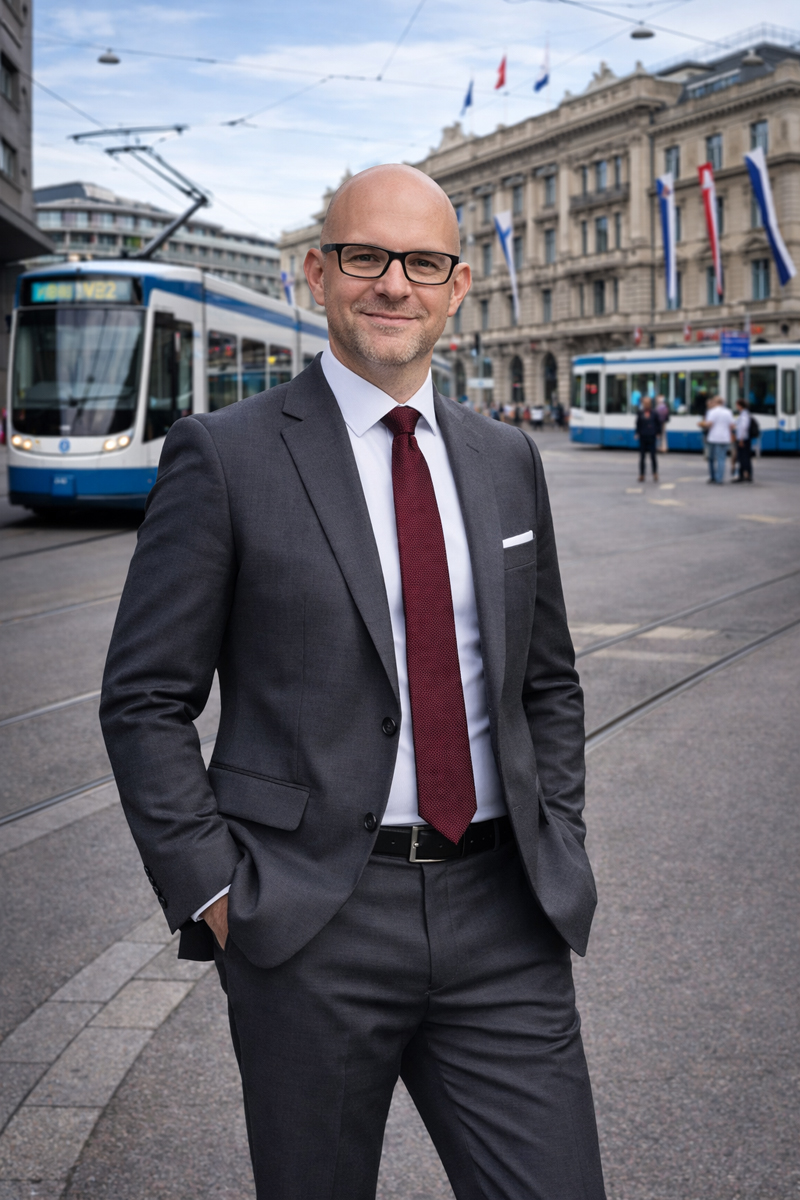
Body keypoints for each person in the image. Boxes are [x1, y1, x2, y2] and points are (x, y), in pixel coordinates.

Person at [100, 164, 605, 1200]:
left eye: (421, 263)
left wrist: (558, 831)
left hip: (502, 915)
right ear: (316, 275)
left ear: (457, 286)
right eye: (365, 258)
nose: (393, 285)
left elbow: (544, 683)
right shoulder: (225, 455)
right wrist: (218, 890)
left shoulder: (506, 456)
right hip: (310, 925)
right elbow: (146, 697)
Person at [699, 394, 735, 483]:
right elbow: (732, 425)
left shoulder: (713, 412)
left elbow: (709, 424)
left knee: (711, 458)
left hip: (714, 438)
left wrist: (702, 424)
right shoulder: (728, 412)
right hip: (725, 438)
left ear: (716, 402)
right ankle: (720, 478)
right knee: (721, 458)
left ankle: (713, 476)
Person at [635, 395, 661, 482]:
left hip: (652, 436)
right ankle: (642, 474)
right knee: (642, 457)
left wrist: (658, 433)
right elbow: (637, 423)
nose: (646, 404)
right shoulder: (640, 413)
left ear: (650, 404)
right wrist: (637, 433)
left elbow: (658, 423)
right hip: (643, 436)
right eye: (644, 403)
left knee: (653, 456)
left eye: (647, 403)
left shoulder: (654, 413)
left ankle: (655, 473)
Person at [732, 398, 754, 483]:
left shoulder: (744, 414)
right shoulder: (743, 414)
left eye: (737, 405)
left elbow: (744, 427)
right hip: (743, 438)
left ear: (740, 405)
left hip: (743, 439)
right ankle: (744, 475)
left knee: (743, 458)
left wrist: (741, 439)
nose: (736, 407)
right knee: (743, 457)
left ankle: (745, 475)